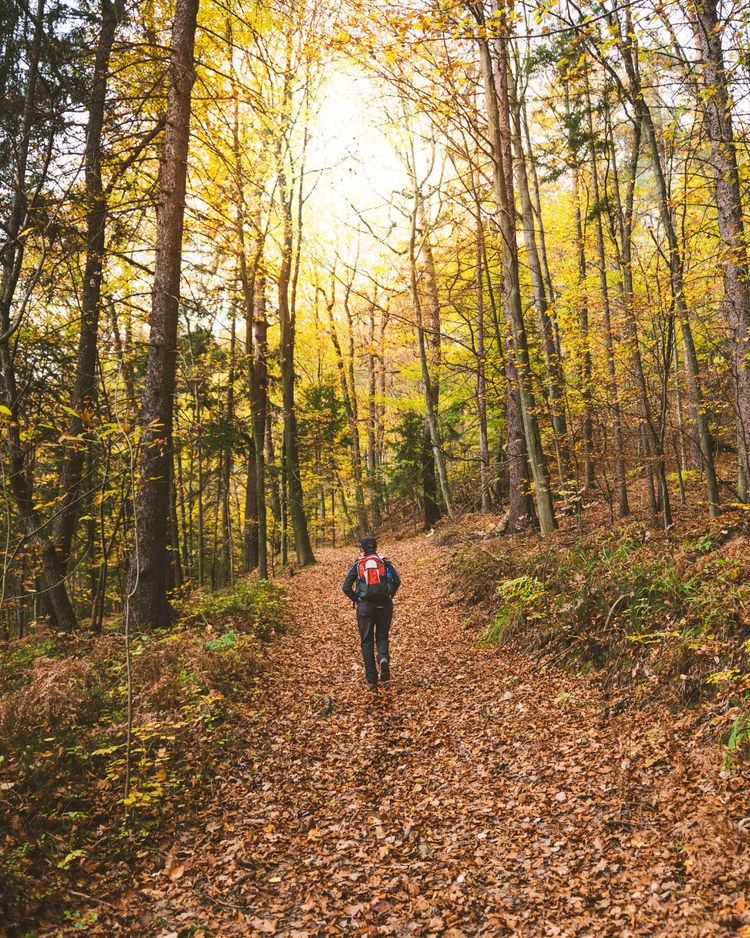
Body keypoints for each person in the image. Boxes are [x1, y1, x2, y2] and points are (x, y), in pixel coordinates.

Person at [342, 535, 401, 693]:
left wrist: (357, 599)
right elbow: (397, 581)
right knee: (382, 636)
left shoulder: (357, 564)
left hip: (364, 607)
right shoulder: (385, 562)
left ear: (361, 549)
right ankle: (382, 657)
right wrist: (389, 597)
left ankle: (371, 679)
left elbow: (346, 586)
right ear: (376, 547)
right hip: (384, 605)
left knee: (366, 642)